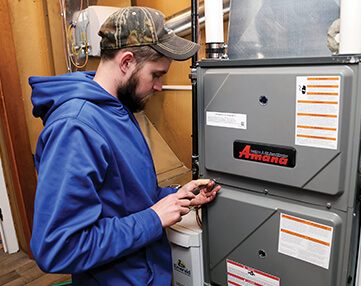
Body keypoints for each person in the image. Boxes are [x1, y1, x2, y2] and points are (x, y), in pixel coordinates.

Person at [29, 6, 220, 286]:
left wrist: (178, 196)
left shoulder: (118, 110)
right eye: (156, 75)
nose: (159, 87)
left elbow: (127, 198)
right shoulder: (76, 128)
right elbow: (58, 248)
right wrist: (154, 218)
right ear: (127, 62)